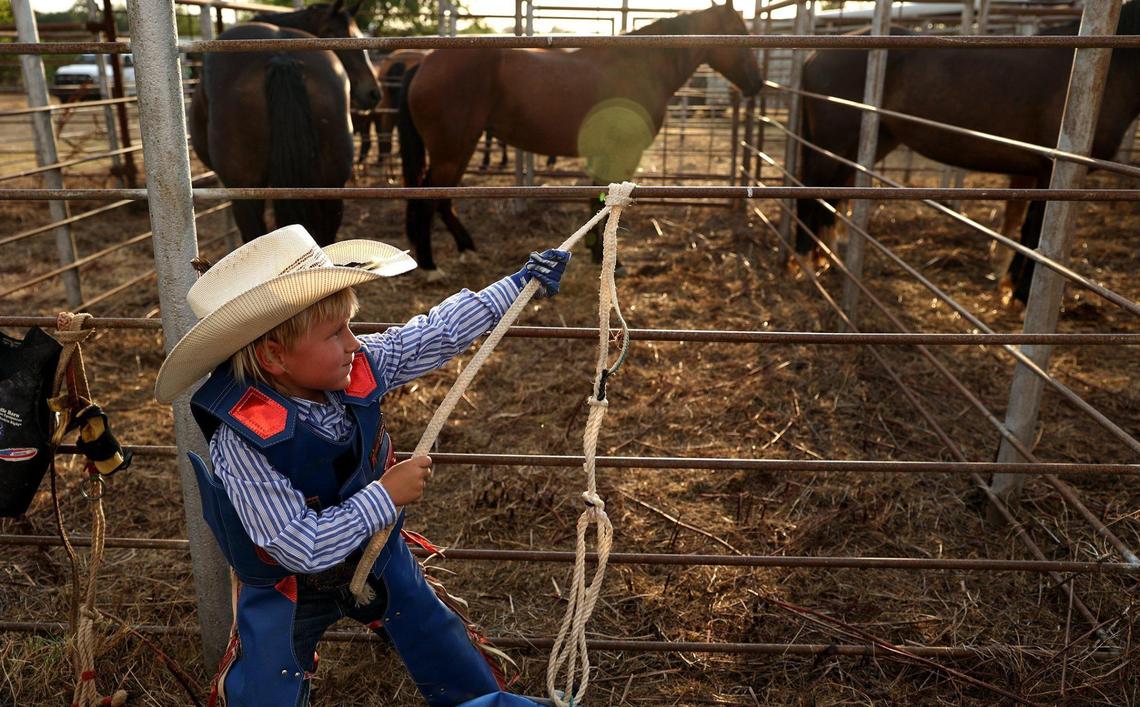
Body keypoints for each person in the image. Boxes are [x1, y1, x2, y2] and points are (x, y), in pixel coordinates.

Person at [154, 224, 570, 707]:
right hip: (290, 584)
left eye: (350, 327)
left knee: (447, 651)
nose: (355, 343)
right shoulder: (241, 440)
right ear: (274, 355)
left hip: (376, 551)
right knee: (265, 691)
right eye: (336, 333)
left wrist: (516, 286)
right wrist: (386, 496)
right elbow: (298, 547)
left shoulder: (356, 366)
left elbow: (434, 333)